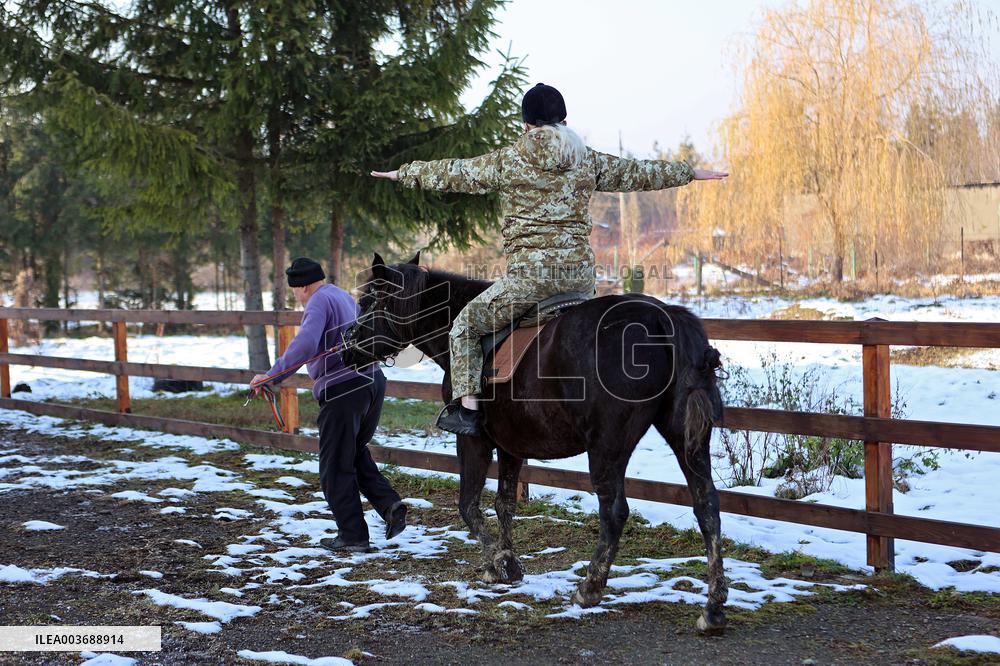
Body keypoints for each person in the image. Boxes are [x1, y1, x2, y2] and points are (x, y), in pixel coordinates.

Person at [372, 83, 728, 437]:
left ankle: (467, 412)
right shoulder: (584, 158)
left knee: (465, 327)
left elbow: (455, 172)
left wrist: (403, 173)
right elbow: (638, 173)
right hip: (579, 282)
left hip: (530, 283)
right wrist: (689, 173)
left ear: (526, 124)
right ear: (564, 120)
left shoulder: (509, 161)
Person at [251, 257, 407, 553]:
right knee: (352, 452)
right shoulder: (341, 295)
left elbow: (306, 343)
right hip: (372, 381)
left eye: (295, 290)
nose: (295, 296)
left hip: (343, 389)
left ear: (303, 285)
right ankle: (390, 506)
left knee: (334, 465)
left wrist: (273, 375)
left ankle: (352, 536)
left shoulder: (318, 301)